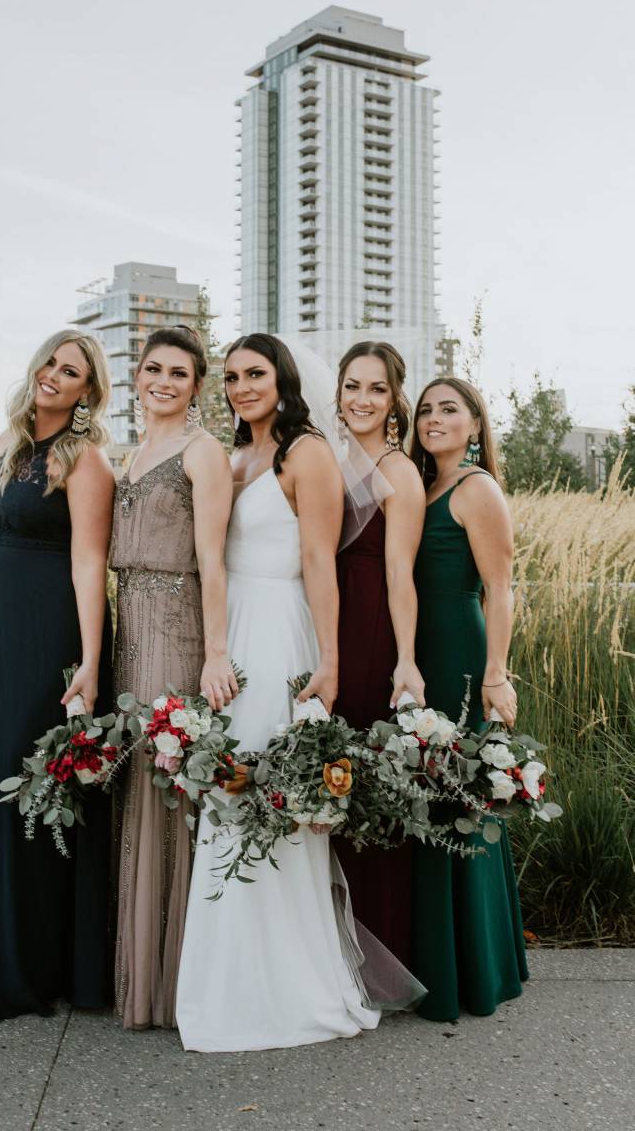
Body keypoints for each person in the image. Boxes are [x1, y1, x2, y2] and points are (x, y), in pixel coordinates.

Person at [176, 334, 424, 1052]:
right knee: (229, 792)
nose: (241, 385)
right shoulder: (236, 456)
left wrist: (331, 663)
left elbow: (321, 561)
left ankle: (292, 985)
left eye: (255, 373)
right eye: (230, 377)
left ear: (282, 378)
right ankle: (228, 979)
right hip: (234, 637)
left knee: (276, 799)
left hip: (284, 634)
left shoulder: (306, 451)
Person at [0, 330, 115, 1021]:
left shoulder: (86, 461)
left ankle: (31, 964)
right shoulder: (2, 446)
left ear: (86, 393)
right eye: (50, 362)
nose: (54, 376)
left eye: (71, 372)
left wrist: (92, 665)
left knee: (29, 785)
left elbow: (87, 564)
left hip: (49, 639)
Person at [112, 325, 236, 1031]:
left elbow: (212, 559)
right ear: (138, 376)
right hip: (129, 626)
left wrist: (214, 652)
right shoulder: (134, 453)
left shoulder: (203, 450)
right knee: (137, 782)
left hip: (176, 626)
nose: (163, 380)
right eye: (153, 368)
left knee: (167, 785)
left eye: (179, 373)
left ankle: (177, 981)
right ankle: (139, 971)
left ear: (195, 387)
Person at [409, 376, 528, 1020]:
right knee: (427, 796)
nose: (433, 418)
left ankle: (474, 970)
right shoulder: (421, 484)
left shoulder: (477, 488)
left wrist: (496, 674)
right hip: (419, 651)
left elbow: (501, 588)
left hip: (458, 649)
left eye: (448, 409)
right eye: (426, 409)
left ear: (476, 424)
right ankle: (437, 960)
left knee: (460, 799)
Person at [332, 341, 425, 968]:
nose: (362, 400)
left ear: (395, 400)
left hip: (367, 628)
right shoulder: (326, 457)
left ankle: (376, 943)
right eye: (352, 386)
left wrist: (407, 660)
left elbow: (401, 575)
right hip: (316, 621)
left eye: (376, 388)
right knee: (320, 774)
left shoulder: (400, 471)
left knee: (362, 777)